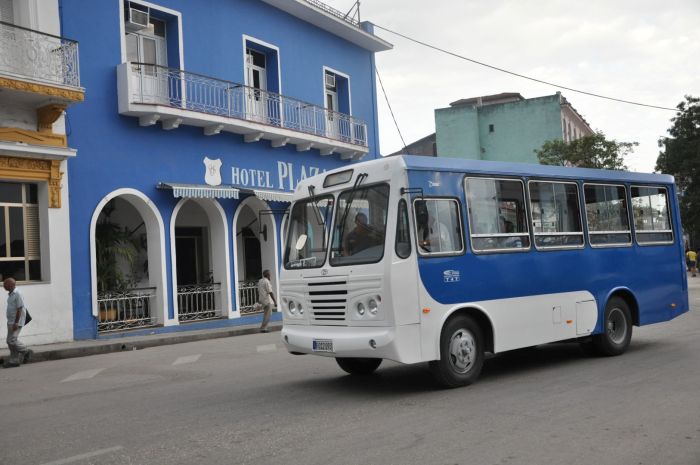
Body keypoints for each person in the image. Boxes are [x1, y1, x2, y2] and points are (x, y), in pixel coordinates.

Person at [3, 278, 32, 368]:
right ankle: (14, 360)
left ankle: (26, 351)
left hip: (16, 322)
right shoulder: (11, 294)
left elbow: (20, 308)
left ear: (11, 285)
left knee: (12, 340)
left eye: (5, 284)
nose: (4, 286)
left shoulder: (17, 294)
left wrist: (16, 322)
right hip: (11, 321)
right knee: (9, 341)